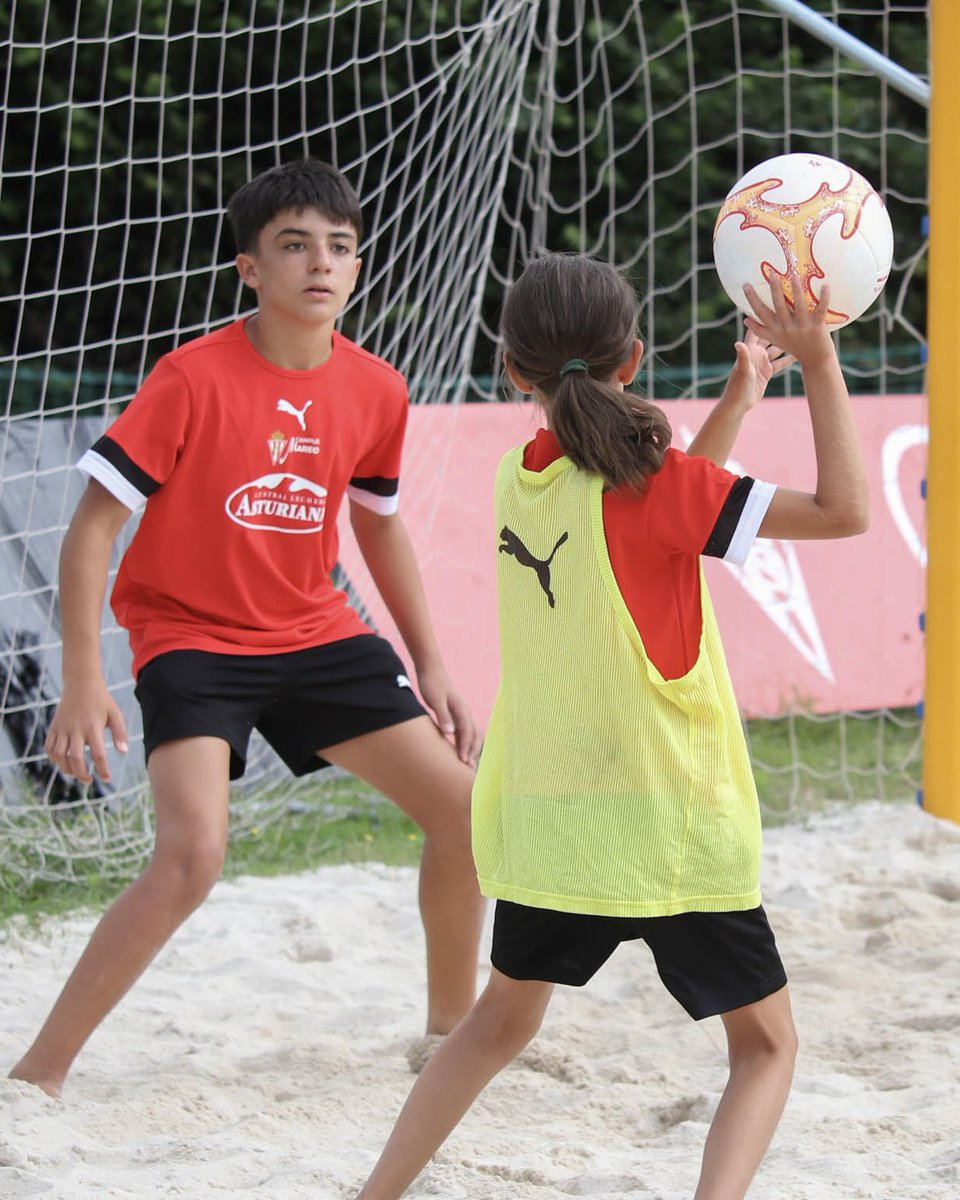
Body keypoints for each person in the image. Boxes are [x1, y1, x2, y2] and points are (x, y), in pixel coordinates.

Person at [355, 252, 869, 1200]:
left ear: (513, 373)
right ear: (636, 357)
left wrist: (742, 396)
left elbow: (661, 500)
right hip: (672, 829)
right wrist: (821, 362)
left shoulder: (523, 474)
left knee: (497, 1027)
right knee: (765, 1046)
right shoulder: (663, 489)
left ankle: (374, 1194)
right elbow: (844, 513)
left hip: (558, 824)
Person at [9, 159, 485, 1099]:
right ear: (250, 270)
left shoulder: (377, 389)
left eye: (339, 247)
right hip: (192, 639)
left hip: (316, 632)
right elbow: (92, 530)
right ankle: (38, 1073)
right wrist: (81, 677)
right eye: (295, 244)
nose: (321, 263)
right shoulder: (190, 379)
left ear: (356, 268)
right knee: (192, 858)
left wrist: (431, 661)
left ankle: (447, 1034)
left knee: (470, 816)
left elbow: (377, 523)